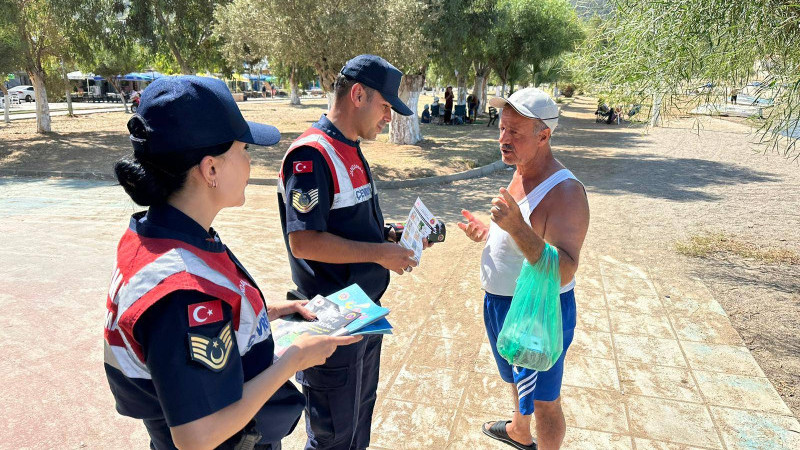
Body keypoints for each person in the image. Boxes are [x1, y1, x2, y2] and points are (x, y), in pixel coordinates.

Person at [103, 76, 361, 450]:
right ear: (210, 170)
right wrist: (294, 360)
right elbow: (198, 435)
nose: (249, 160)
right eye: (242, 149)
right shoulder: (181, 292)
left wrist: (270, 311)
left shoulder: (164, 233)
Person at [277, 54, 430, 450]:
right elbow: (305, 241)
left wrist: (391, 237)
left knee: (359, 417)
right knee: (332, 436)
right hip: (331, 320)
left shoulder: (350, 148)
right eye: (385, 107)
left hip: (363, 314)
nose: (389, 118)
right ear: (358, 94)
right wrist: (379, 254)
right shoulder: (311, 155)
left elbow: (350, 225)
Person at [458, 88, 589, 450]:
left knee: (547, 402)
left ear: (543, 135)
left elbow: (564, 269)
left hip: (537, 312)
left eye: (515, 132)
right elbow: (521, 242)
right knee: (515, 378)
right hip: (501, 304)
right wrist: (488, 233)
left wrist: (516, 227)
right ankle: (518, 430)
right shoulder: (520, 170)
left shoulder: (566, 192)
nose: (503, 139)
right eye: (501, 128)